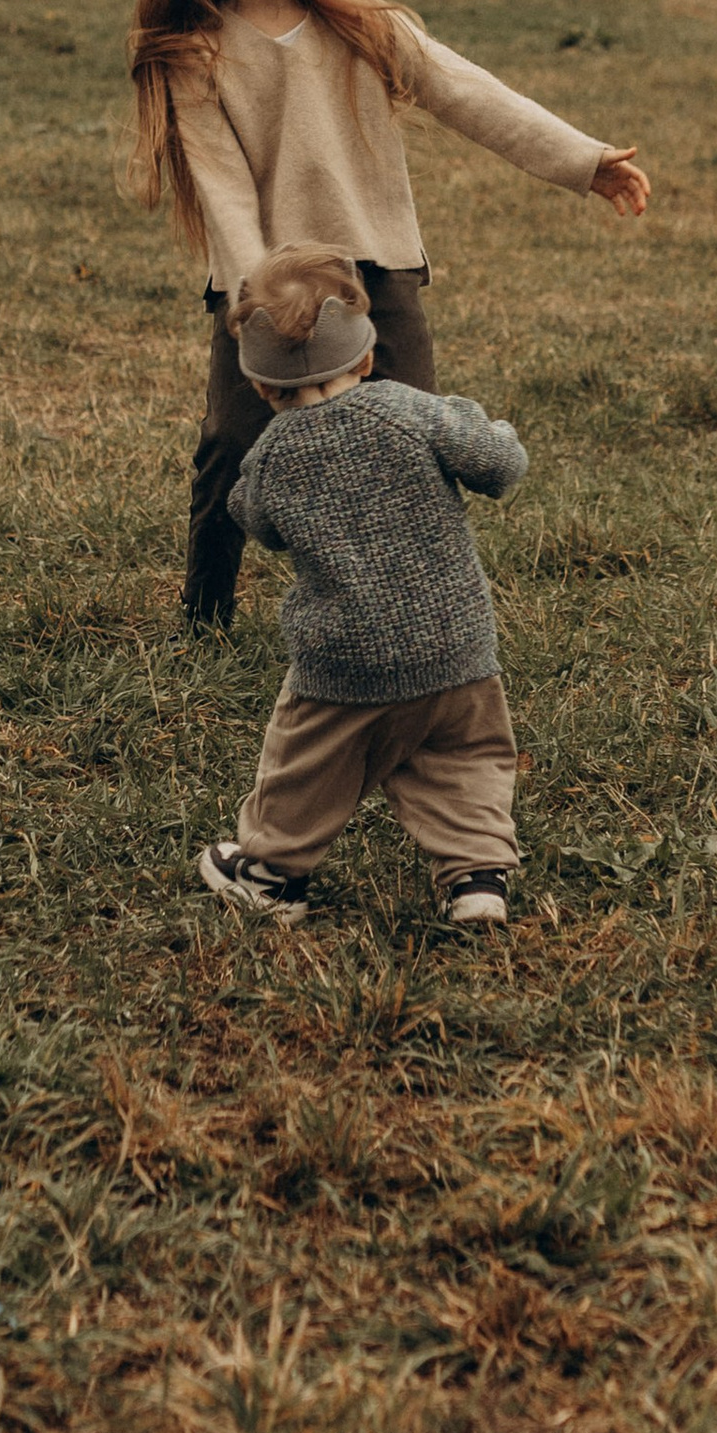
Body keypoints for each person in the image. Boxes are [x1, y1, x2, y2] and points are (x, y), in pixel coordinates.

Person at [125, 0, 647, 634]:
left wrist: (584, 160)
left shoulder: (366, 25)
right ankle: (205, 614)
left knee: (417, 436)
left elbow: (473, 95)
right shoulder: (196, 52)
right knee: (231, 445)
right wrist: (253, 297)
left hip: (375, 265)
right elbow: (222, 187)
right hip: (259, 281)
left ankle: (426, 607)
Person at [196, 245, 529, 928]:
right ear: (368, 357)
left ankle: (270, 872)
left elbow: (256, 521)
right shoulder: (416, 411)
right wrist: (485, 426)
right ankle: (476, 879)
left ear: (260, 388)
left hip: (344, 660)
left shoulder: (270, 456)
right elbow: (500, 464)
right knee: (462, 756)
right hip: (457, 645)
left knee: (306, 764)